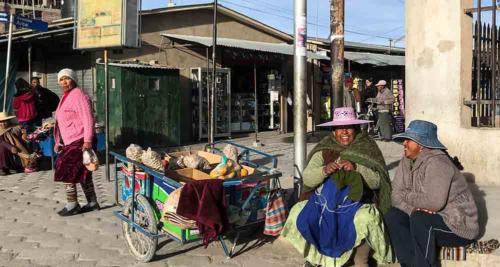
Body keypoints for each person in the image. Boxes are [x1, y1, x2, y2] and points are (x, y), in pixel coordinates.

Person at [281, 107, 393, 267]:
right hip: (326, 201)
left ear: (355, 129)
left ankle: (360, 260)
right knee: (300, 213)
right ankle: (316, 257)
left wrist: (356, 168)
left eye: (348, 128)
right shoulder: (324, 150)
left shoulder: (366, 147)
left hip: (359, 201)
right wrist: (324, 170)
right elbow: (308, 178)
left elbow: (377, 181)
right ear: (334, 132)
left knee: (365, 219)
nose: (345, 132)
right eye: (340, 129)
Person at [385, 120, 478, 267]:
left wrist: (407, 196)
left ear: (421, 145)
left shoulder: (438, 163)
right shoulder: (406, 160)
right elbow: (395, 195)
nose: (404, 144)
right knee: (393, 215)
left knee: (421, 220)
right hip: (426, 218)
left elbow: (433, 203)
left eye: (409, 140)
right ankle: (409, 264)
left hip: (456, 226)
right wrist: (412, 208)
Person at [53, 68, 99, 216]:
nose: (64, 82)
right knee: (83, 171)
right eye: (61, 79)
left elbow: (88, 118)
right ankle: (92, 202)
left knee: (64, 168)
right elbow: (60, 121)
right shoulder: (66, 96)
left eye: (67, 78)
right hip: (70, 140)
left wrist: (87, 140)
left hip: (79, 140)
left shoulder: (78, 95)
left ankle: (72, 204)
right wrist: (58, 141)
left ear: (73, 79)